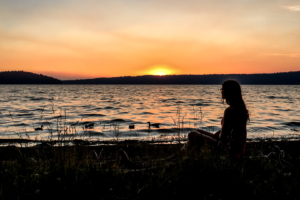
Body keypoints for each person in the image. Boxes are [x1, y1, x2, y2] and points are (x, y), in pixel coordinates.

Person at [186, 80, 250, 159]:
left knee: (192, 134)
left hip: (229, 150)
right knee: (197, 131)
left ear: (229, 91)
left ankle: (178, 158)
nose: (221, 91)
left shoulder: (229, 111)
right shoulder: (240, 109)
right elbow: (231, 132)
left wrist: (218, 134)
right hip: (238, 149)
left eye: (222, 89)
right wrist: (218, 133)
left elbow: (222, 138)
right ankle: (180, 157)